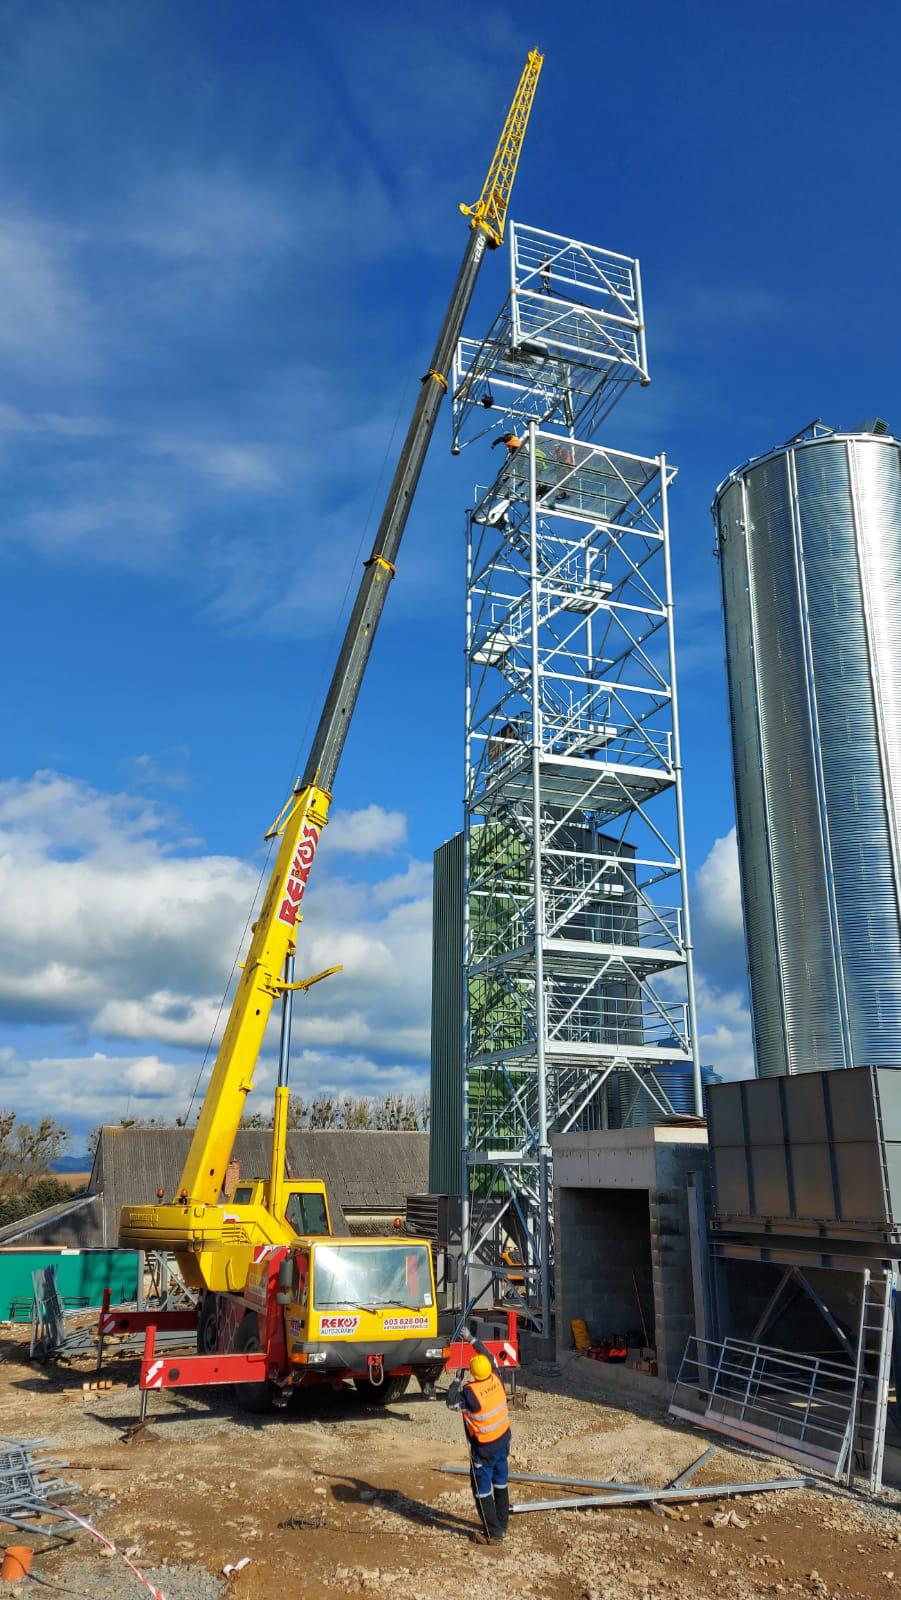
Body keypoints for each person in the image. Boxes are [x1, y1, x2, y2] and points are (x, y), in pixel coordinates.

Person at [446, 1338, 511, 1543]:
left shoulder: (470, 1393)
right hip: (502, 1443)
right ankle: (502, 1524)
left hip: (483, 1449)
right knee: (500, 1484)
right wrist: (472, 1339)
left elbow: (450, 1403)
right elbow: (490, 1357)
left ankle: (493, 1534)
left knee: (482, 1491)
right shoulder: (497, 1379)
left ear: (473, 1373)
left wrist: (456, 1380)